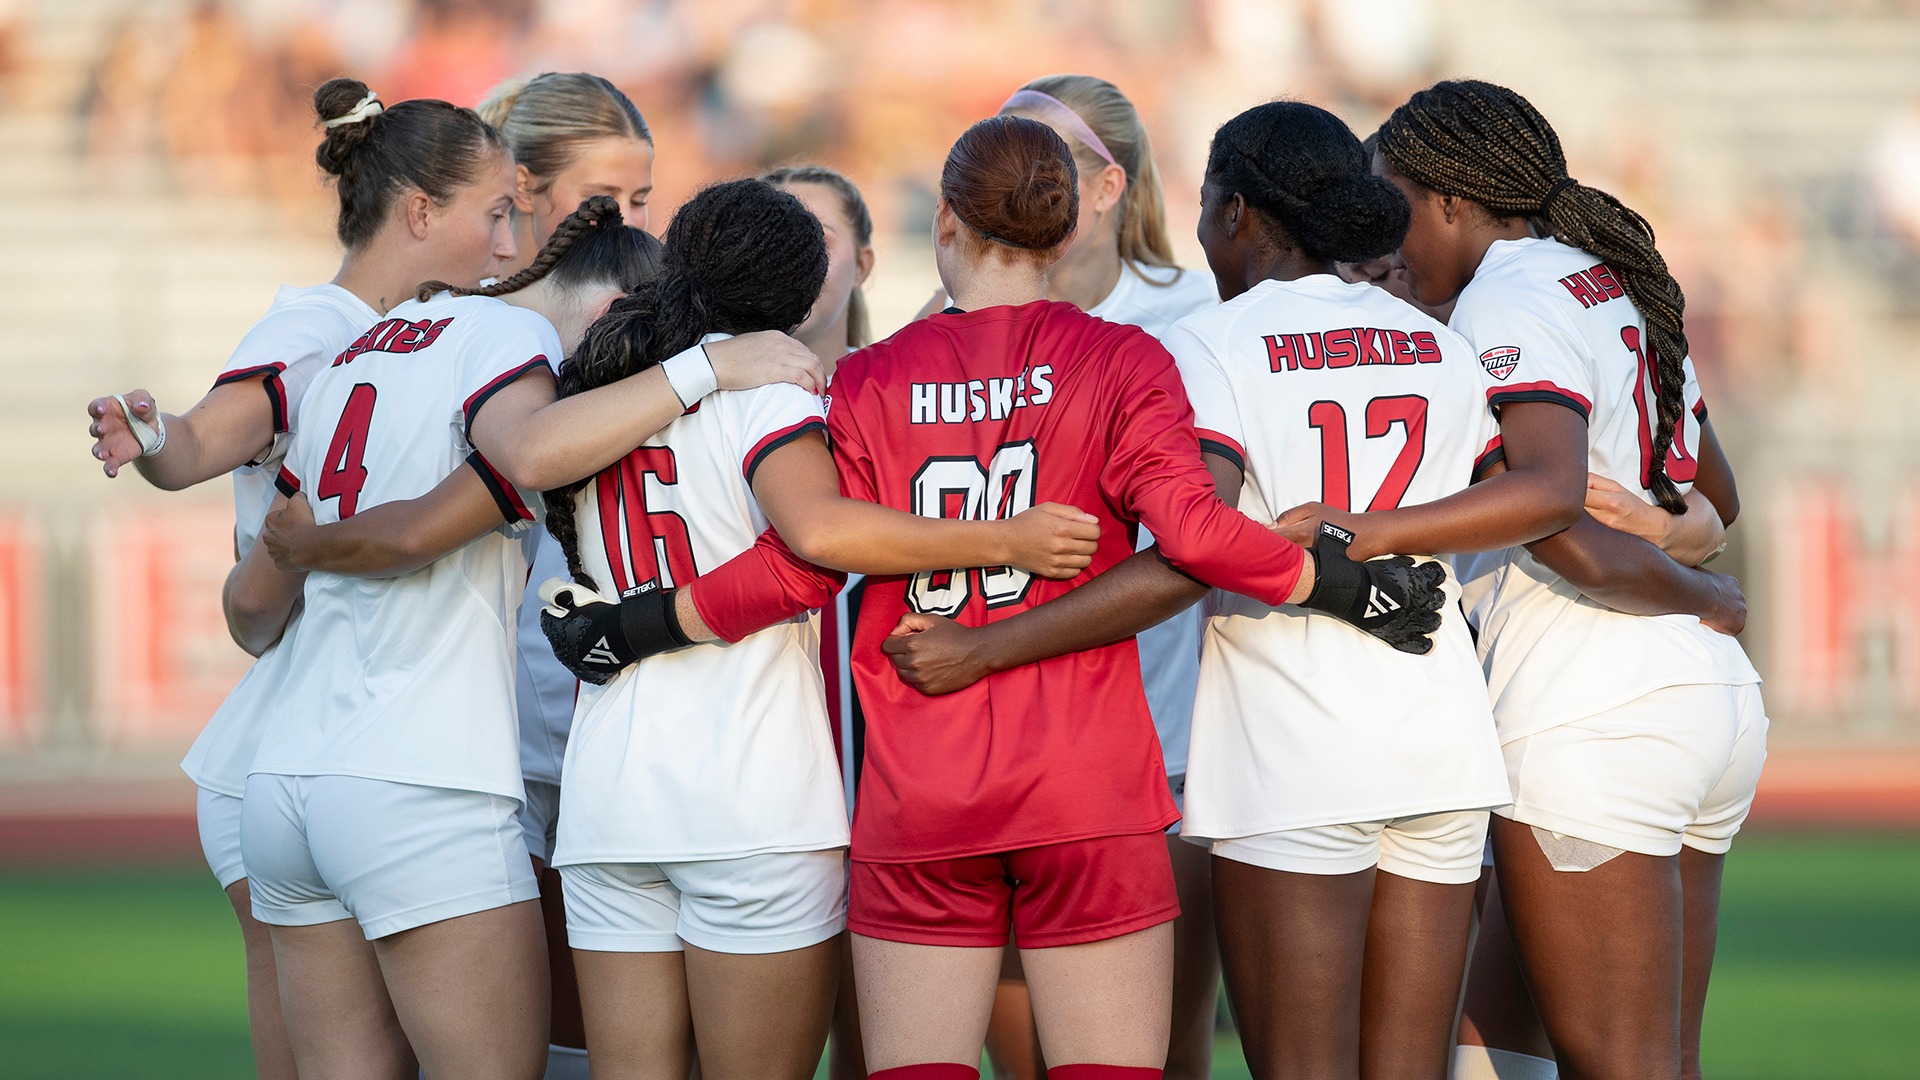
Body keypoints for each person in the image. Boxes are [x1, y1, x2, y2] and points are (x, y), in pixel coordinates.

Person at [824, 116, 1440, 1080]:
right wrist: (1341, 583)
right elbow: (1195, 536)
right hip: (1088, 782)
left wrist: (648, 622)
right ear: (1068, 233)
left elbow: (810, 555)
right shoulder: (1125, 359)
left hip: (921, 779)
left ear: (944, 220)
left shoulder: (866, 379)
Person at [533, 178, 1108, 1080]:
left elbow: (532, 459)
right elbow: (820, 544)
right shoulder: (774, 396)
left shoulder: (611, 392)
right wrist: (1007, 539)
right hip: (750, 798)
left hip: (611, 797)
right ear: (803, 298)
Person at [80, 77, 515, 1080]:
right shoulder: (321, 328)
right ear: (418, 212)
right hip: (308, 736)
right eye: (494, 212)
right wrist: (154, 437)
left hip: (313, 736)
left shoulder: (421, 329)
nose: (508, 241)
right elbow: (194, 444)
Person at [1360, 79, 1766, 1080]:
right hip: (1688, 699)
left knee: (1625, 1064)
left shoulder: (1507, 296)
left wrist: (1707, 590)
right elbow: (1711, 493)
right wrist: (1694, 553)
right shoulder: (1605, 274)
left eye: (1392, 202)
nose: (1382, 233)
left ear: (1450, 201)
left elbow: (1556, 519)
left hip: (1591, 704)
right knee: (1497, 1042)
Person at [994, 74, 1223, 1080]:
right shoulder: (965, 306)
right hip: (994, 737)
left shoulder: (1197, 313)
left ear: (1104, 184)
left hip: (1163, 740)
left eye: (1039, 160)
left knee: (1153, 1055)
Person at [476, 68, 663, 1079]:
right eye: (605, 202)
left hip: (605, 732)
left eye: (641, 201)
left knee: (606, 1050)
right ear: (521, 185)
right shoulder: (466, 332)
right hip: (489, 741)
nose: (629, 223)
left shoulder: (651, 323)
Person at [761, 162, 881, 1080]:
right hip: (753, 782)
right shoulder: (683, 396)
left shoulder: (914, 393)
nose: (794, 254)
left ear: (868, 262)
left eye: (821, 235)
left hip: (896, 773)